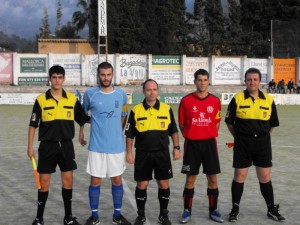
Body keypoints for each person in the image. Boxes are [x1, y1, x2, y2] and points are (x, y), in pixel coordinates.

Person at [27, 65, 88, 225]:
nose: (57, 80)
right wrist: (29, 146)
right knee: (44, 183)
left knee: (68, 181)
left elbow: (82, 119)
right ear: (50, 78)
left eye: (60, 77)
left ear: (64, 79)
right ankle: (39, 218)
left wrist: (81, 133)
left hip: (67, 146)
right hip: (47, 147)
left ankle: (68, 217)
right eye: (54, 77)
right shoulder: (40, 100)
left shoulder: (71, 99)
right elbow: (33, 124)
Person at [225, 68, 285, 222]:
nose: (252, 82)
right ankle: (235, 209)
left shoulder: (268, 100)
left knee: (265, 177)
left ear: (260, 81)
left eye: (255, 79)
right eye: (249, 79)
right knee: (240, 176)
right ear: (245, 81)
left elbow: (272, 124)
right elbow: (230, 123)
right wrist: (239, 138)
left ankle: (271, 209)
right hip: (242, 144)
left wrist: (262, 138)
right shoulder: (237, 99)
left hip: (262, 144)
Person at [79, 62, 131, 225]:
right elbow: (82, 115)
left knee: (117, 181)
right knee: (95, 181)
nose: (106, 78)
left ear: (112, 75)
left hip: (116, 147)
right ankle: (94, 216)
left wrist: (117, 131)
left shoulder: (121, 94)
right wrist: (81, 133)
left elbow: (124, 114)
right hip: (96, 146)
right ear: (98, 75)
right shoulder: (90, 94)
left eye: (108, 74)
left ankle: (117, 215)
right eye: (103, 74)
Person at [125, 79, 180, 225]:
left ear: (158, 91)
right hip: (143, 154)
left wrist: (176, 148)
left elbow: (173, 130)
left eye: (154, 89)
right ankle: (141, 215)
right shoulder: (136, 110)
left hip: (162, 153)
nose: (152, 92)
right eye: (149, 89)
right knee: (142, 184)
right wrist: (129, 152)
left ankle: (163, 214)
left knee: (163, 184)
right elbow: (130, 134)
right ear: (144, 91)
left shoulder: (166, 109)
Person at [177, 69, 224, 224]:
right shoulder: (186, 101)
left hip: (210, 144)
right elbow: (182, 125)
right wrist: (194, 134)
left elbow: (217, 122)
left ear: (208, 81)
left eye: (205, 80)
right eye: (199, 80)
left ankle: (213, 210)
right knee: (190, 179)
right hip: (192, 144)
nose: (202, 83)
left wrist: (206, 132)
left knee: (212, 178)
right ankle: (186, 211)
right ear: (194, 81)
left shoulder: (216, 101)